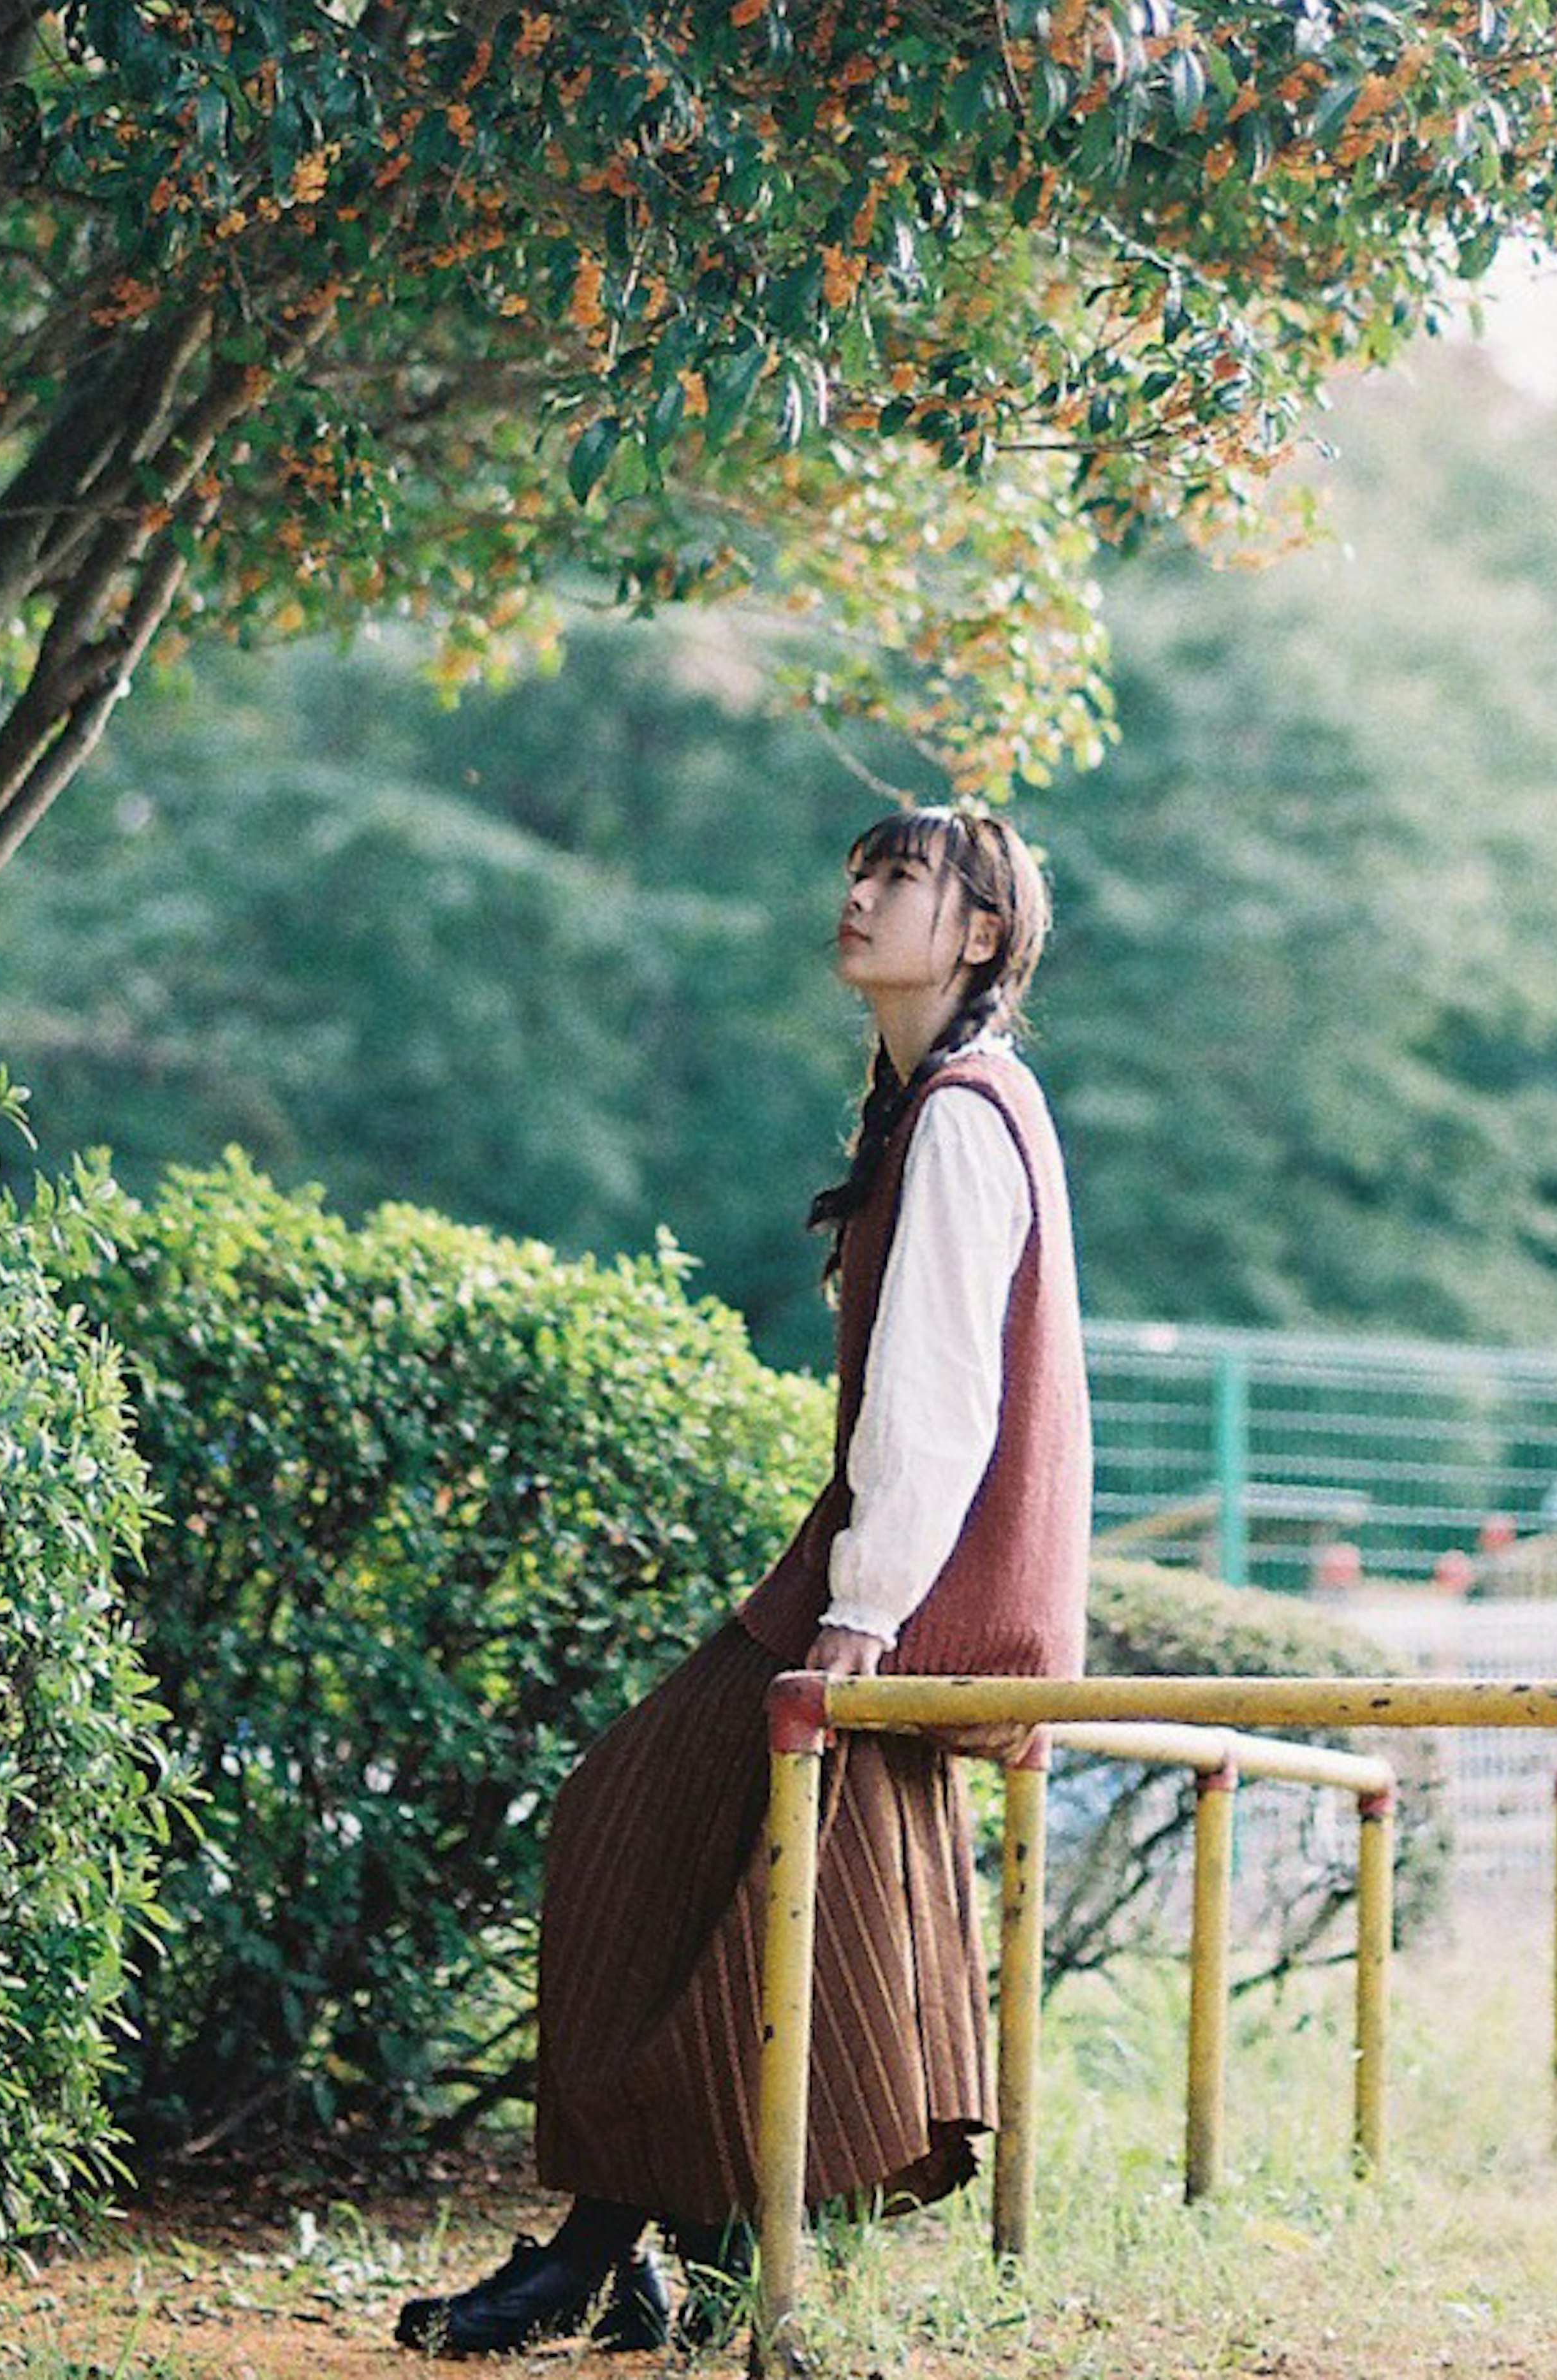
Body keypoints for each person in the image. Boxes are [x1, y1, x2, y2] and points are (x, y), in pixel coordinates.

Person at [395, 804, 1092, 2357]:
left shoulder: (969, 1112)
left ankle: (625, 2257)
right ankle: (648, 2256)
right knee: (693, 1869)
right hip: (861, 1575)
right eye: (855, 868)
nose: (856, 893)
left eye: (899, 878)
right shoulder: (935, 1104)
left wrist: (860, 1612)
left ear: (979, 931)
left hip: (878, 1592)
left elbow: (943, 1394)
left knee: (643, 1822)